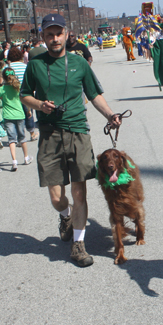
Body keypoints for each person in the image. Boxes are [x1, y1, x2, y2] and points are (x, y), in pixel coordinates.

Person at [20, 14, 121, 267]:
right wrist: (39, 105)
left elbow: (94, 94)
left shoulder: (79, 63)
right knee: (57, 198)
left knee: (79, 192)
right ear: (43, 37)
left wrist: (110, 114)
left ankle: (78, 245)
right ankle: (65, 216)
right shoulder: (35, 64)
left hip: (78, 131)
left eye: (58, 33)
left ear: (66, 34)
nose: (55, 38)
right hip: (49, 133)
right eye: (49, 34)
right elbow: (24, 96)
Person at [1, 67, 33, 171]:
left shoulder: (2, 90)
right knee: (22, 137)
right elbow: (25, 99)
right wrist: (28, 110)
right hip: (20, 115)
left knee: (11, 139)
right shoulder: (18, 87)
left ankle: (14, 161)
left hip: (8, 116)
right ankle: (26, 158)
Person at [7, 47, 39, 142]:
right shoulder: (25, 66)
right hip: (25, 93)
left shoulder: (7, 68)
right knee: (28, 114)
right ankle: (32, 133)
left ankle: (19, 137)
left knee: (16, 116)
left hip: (12, 96)